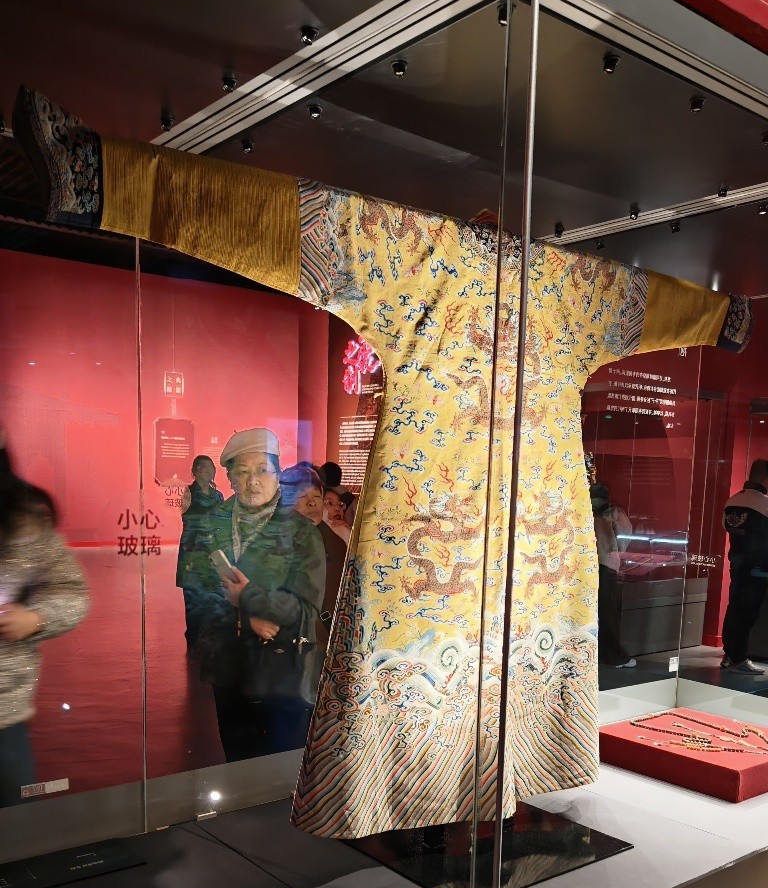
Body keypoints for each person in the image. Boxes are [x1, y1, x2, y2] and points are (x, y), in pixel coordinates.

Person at [13, 84, 754, 841]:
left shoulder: (426, 255)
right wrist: (722, 317)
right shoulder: (570, 289)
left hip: (445, 531)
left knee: (423, 659)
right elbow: (652, 302)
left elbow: (284, 223)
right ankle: (469, 803)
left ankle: (447, 805)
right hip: (528, 536)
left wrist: (110, 177)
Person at [193, 429, 326, 760]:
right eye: (242, 471)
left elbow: (305, 608)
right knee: (236, 763)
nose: (253, 481)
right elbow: (198, 599)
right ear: (230, 478)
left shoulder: (300, 532)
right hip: (229, 669)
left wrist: (249, 596)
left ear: (278, 475)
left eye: (262, 470)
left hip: (282, 673)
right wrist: (245, 620)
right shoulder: (212, 527)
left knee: (279, 769)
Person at [0, 438, 89, 807]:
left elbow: (71, 592)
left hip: (5, 715)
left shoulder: (23, 522)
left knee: (17, 819)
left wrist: (35, 618)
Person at [280, 463, 347, 647]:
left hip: (325, 640)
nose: (312, 503)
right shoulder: (277, 541)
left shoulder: (335, 543)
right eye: (303, 496)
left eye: (317, 496)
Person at [721, 460, 768, 676]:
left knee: (734, 609)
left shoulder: (732, 500)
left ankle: (729, 655)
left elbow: (727, 527)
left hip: (737, 564)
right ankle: (739, 659)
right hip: (759, 568)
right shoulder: (764, 504)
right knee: (747, 614)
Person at [176, 454, 225, 649]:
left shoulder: (218, 495)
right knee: (193, 597)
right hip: (193, 553)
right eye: (205, 467)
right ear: (195, 471)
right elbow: (191, 519)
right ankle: (194, 639)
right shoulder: (189, 493)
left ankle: (210, 639)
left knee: (213, 596)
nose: (209, 471)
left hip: (213, 553)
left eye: (212, 467)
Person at [591, 482, 635, 670]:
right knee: (609, 614)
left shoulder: (583, 510)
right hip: (606, 564)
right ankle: (615, 656)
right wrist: (618, 552)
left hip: (585, 567)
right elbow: (625, 535)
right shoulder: (612, 512)